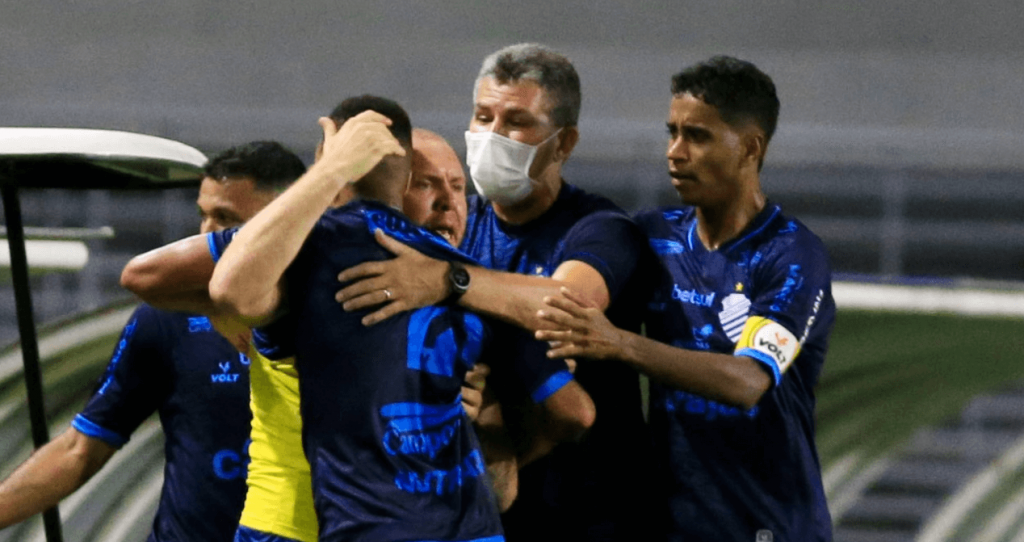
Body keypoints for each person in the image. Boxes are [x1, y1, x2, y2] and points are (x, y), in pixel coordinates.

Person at [334, 44, 659, 541]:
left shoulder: (601, 229)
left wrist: (448, 282)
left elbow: (565, 307)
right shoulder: (458, 225)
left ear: (564, 143)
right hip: (484, 514)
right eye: (483, 116)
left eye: (517, 122)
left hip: (589, 514)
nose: (492, 135)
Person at [122, 125, 505, 542]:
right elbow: (151, 278)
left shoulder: (472, 293)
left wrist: (479, 424)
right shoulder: (306, 261)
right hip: (295, 526)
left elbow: (505, 487)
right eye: (424, 184)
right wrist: (220, 305)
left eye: (457, 186)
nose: (447, 203)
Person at [536, 56, 836, 541]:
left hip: (767, 527)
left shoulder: (792, 254)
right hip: (670, 528)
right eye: (672, 132)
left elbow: (748, 381)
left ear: (751, 148)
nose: (675, 152)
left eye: (697, 136)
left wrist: (619, 343)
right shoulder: (653, 237)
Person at [0, 141, 307, 541]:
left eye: (226, 220)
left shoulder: (342, 308)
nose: (206, 233)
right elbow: (80, 449)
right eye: (203, 215)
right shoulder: (166, 318)